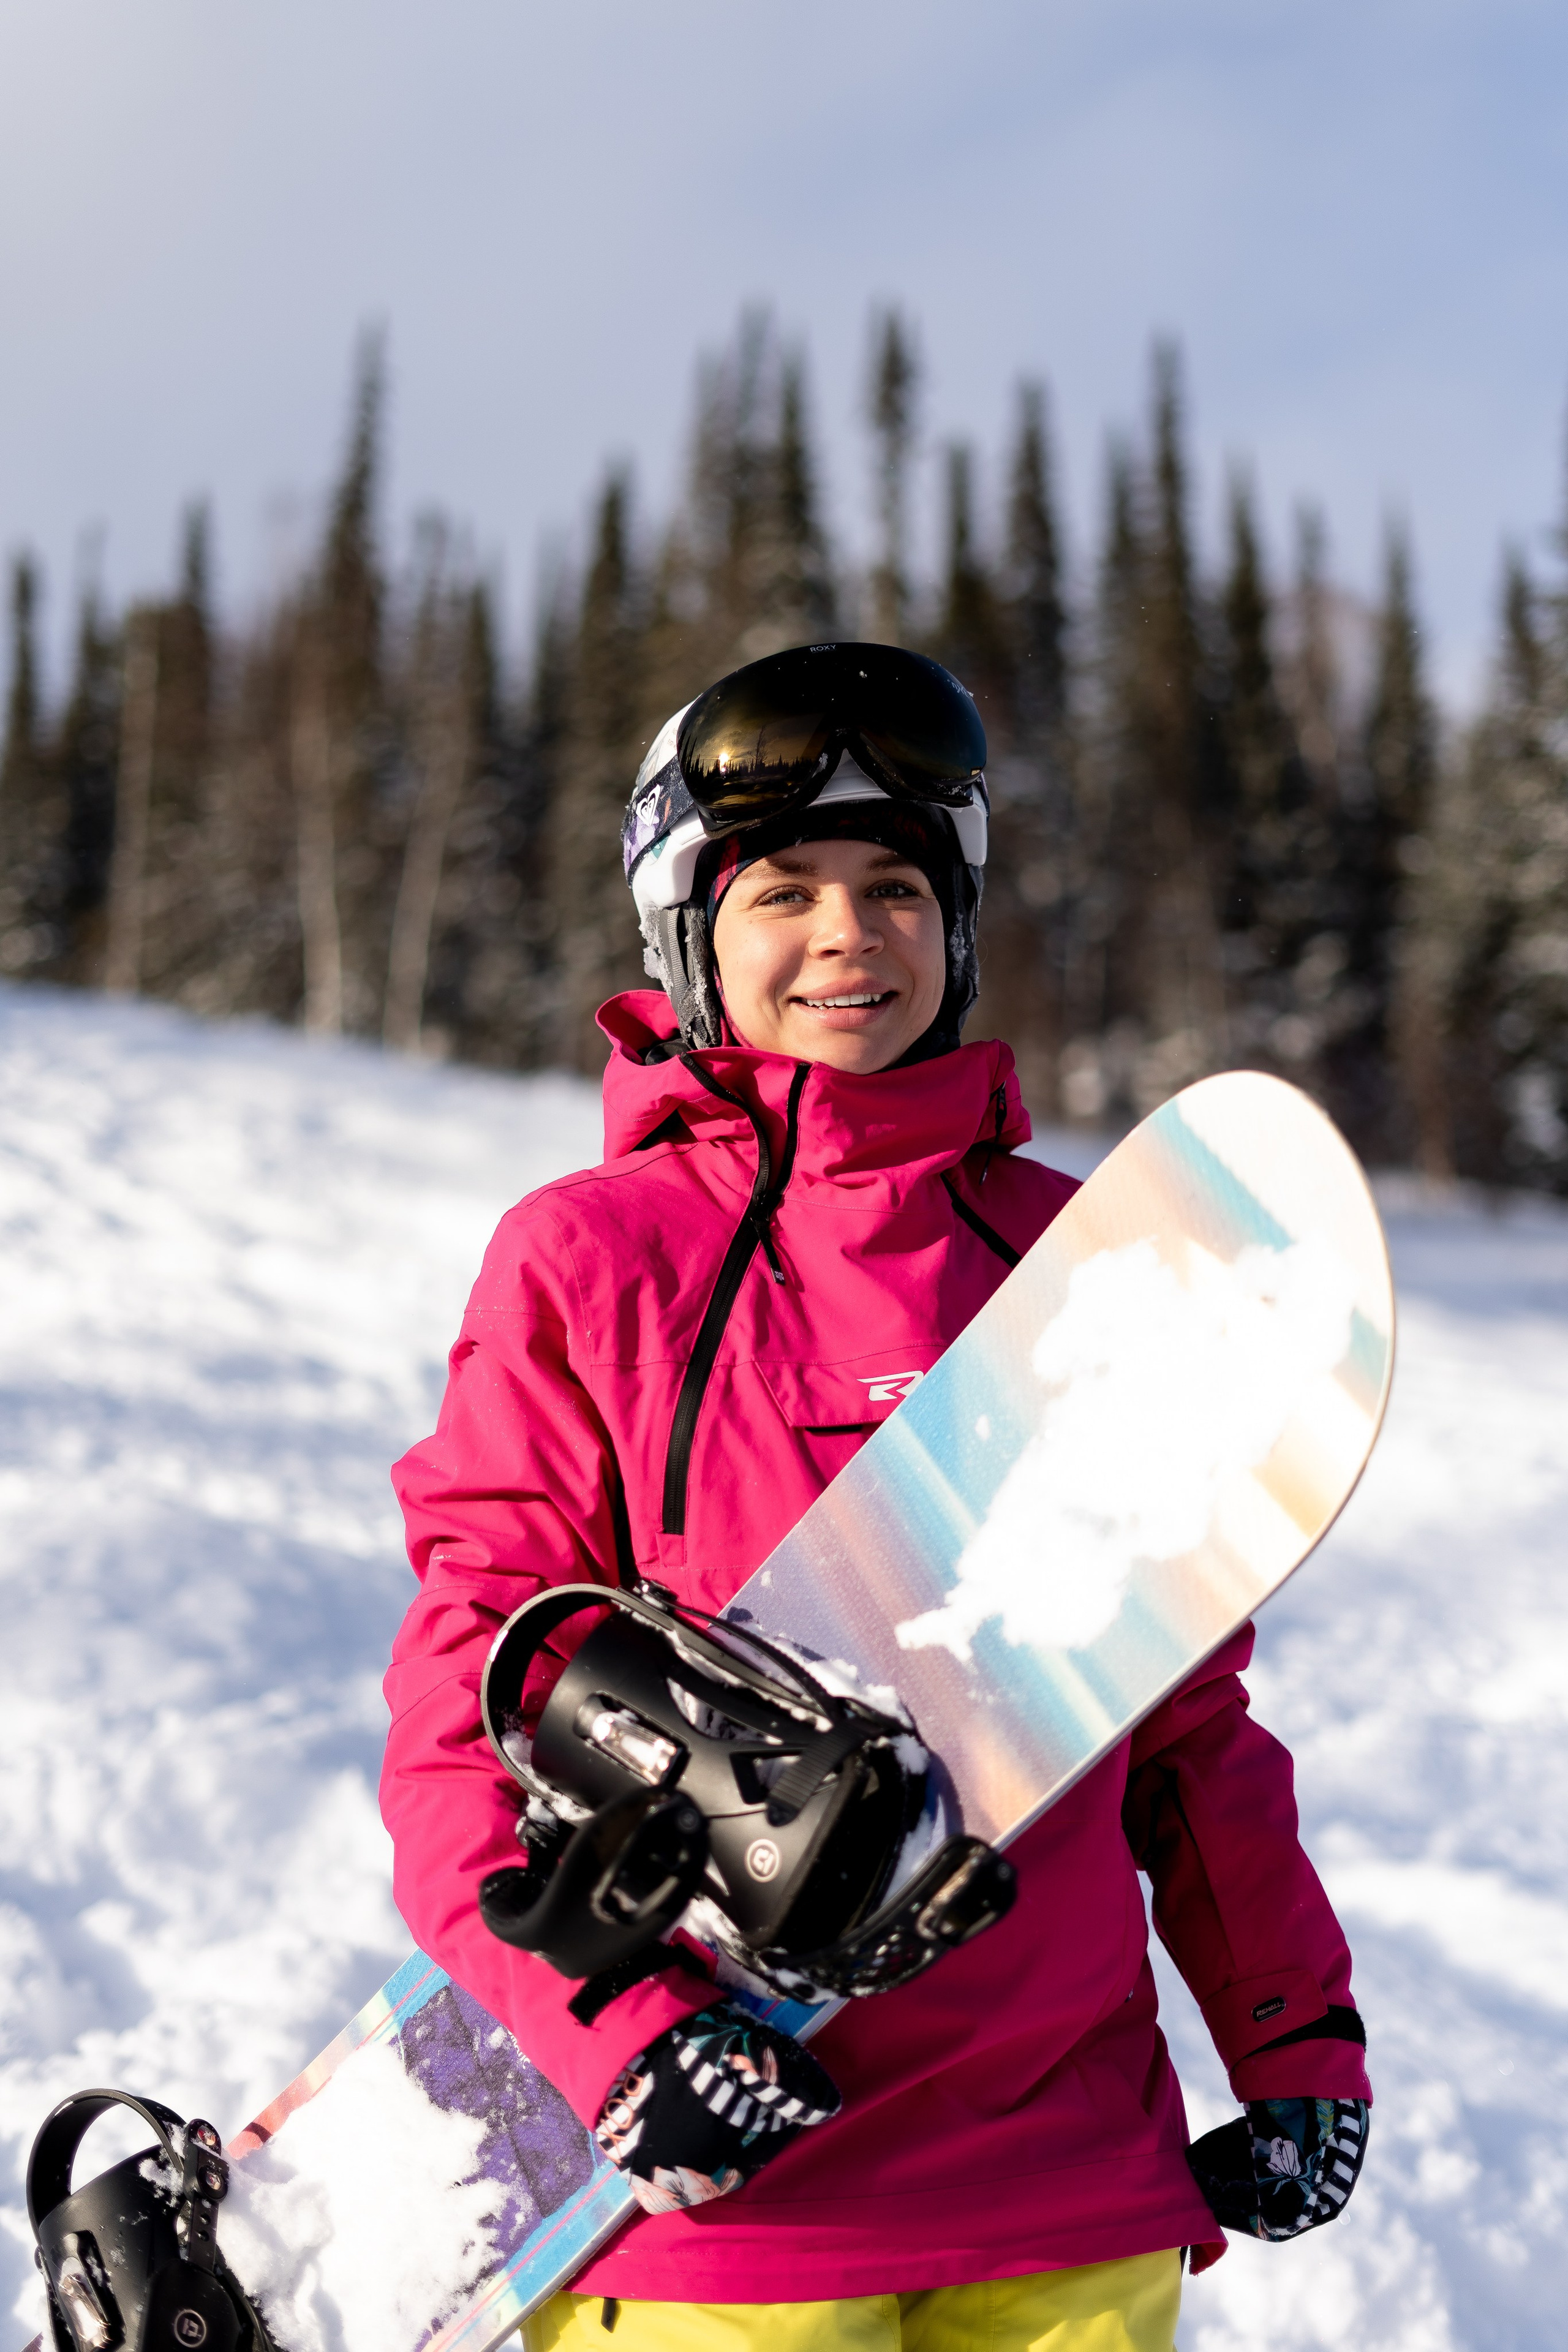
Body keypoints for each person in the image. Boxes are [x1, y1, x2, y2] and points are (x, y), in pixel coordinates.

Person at [382, 643, 1373, 2352]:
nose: (851, 934)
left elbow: (1185, 1720)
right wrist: (617, 2028)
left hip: (1067, 2180)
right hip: (724, 2190)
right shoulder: (597, 1259)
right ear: (689, 934)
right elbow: (471, 1693)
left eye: (898, 885)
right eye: (785, 891)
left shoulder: (1093, 1265)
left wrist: (1290, 2032)